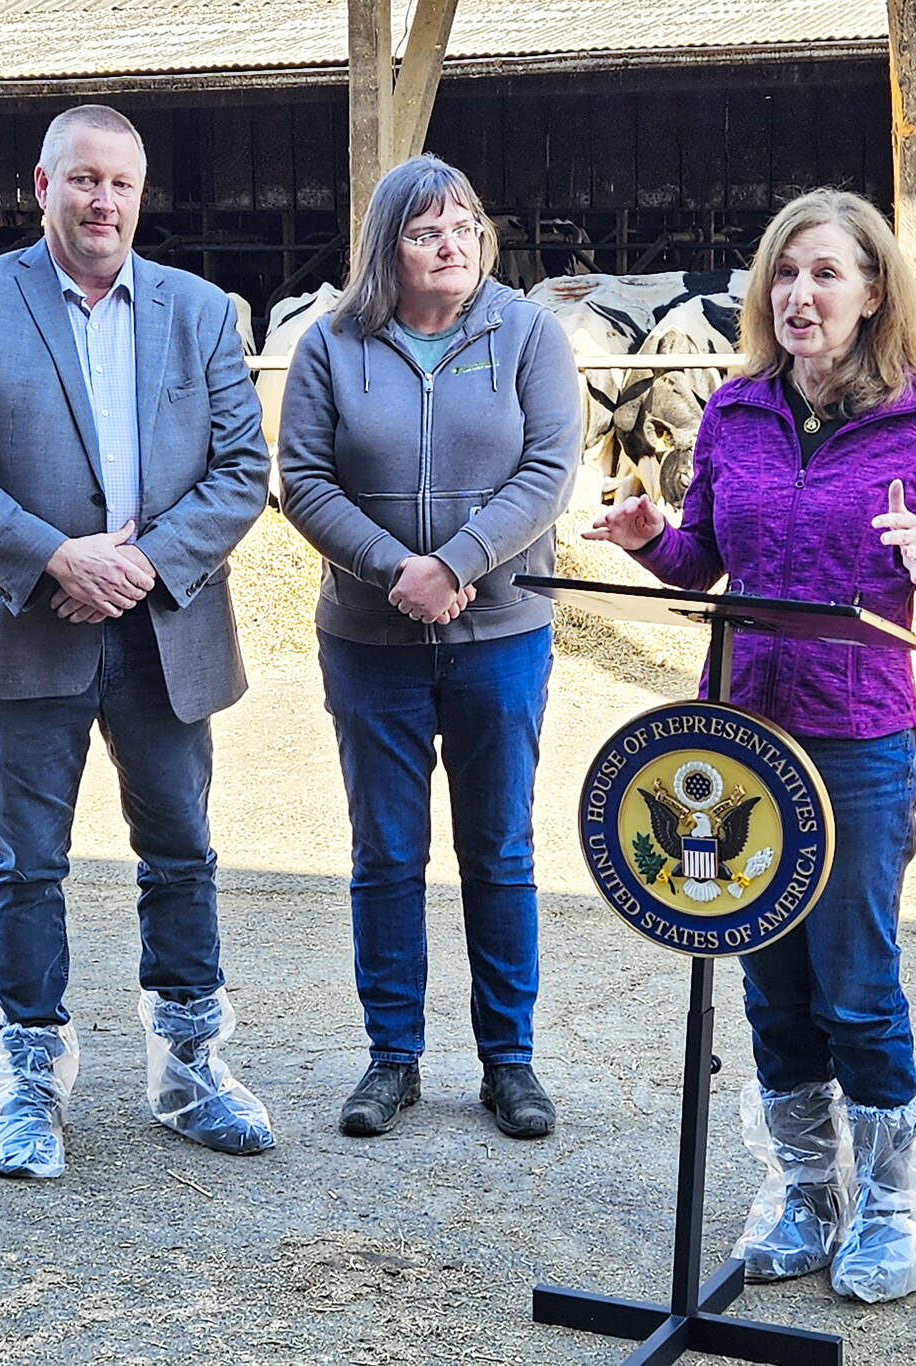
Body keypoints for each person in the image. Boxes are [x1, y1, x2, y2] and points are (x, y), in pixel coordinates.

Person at [585, 188, 916, 1301]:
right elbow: (701, 558)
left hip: (856, 732)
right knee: (771, 981)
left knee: (855, 981)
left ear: (870, 292)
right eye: (783, 273)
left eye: (824, 274)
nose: (798, 294)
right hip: (745, 731)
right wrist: (648, 537)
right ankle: (805, 1193)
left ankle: (894, 1211)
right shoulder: (733, 410)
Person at [0, 104, 275, 1177]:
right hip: (31, 621)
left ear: (139, 193)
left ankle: (189, 1067)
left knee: (181, 849)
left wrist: (143, 563)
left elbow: (240, 471)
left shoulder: (201, 311)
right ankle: (27, 1080)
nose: (100, 200)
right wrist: (57, 559)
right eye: (81, 180)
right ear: (41, 187)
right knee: (30, 859)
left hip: (166, 625)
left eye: (118, 183)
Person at [278, 155, 581, 1140]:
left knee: (498, 848)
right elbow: (305, 480)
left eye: (463, 225)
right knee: (386, 851)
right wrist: (390, 568)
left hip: (500, 632)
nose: (450, 244)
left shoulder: (529, 333)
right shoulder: (331, 347)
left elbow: (547, 469)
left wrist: (454, 562)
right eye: (425, 231)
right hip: (369, 639)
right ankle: (391, 1057)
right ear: (388, 250)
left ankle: (509, 1061)